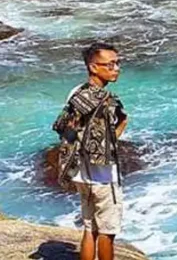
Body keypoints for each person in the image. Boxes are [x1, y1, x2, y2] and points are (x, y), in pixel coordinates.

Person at [52, 42, 128, 260]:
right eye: (110, 64)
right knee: (107, 232)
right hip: (102, 177)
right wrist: (124, 123)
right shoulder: (107, 102)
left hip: (79, 173)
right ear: (93, 67)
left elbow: (66, 128)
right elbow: (109, 141)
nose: (116, 68)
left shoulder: (76, 93)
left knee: (89, 227)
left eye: (117, 63)